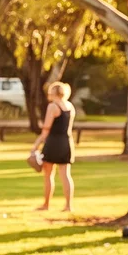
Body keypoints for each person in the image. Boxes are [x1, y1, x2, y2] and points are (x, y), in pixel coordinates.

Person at [33, 80, 75, 212]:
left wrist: (35, 146)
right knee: (65, 175)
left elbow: (46, 129)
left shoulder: (52, 107)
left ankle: (46, 204)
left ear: (53, 93)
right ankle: (68, 205)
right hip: (66, 142)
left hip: (53, 143)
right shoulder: (69, 106)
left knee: (48, 175)